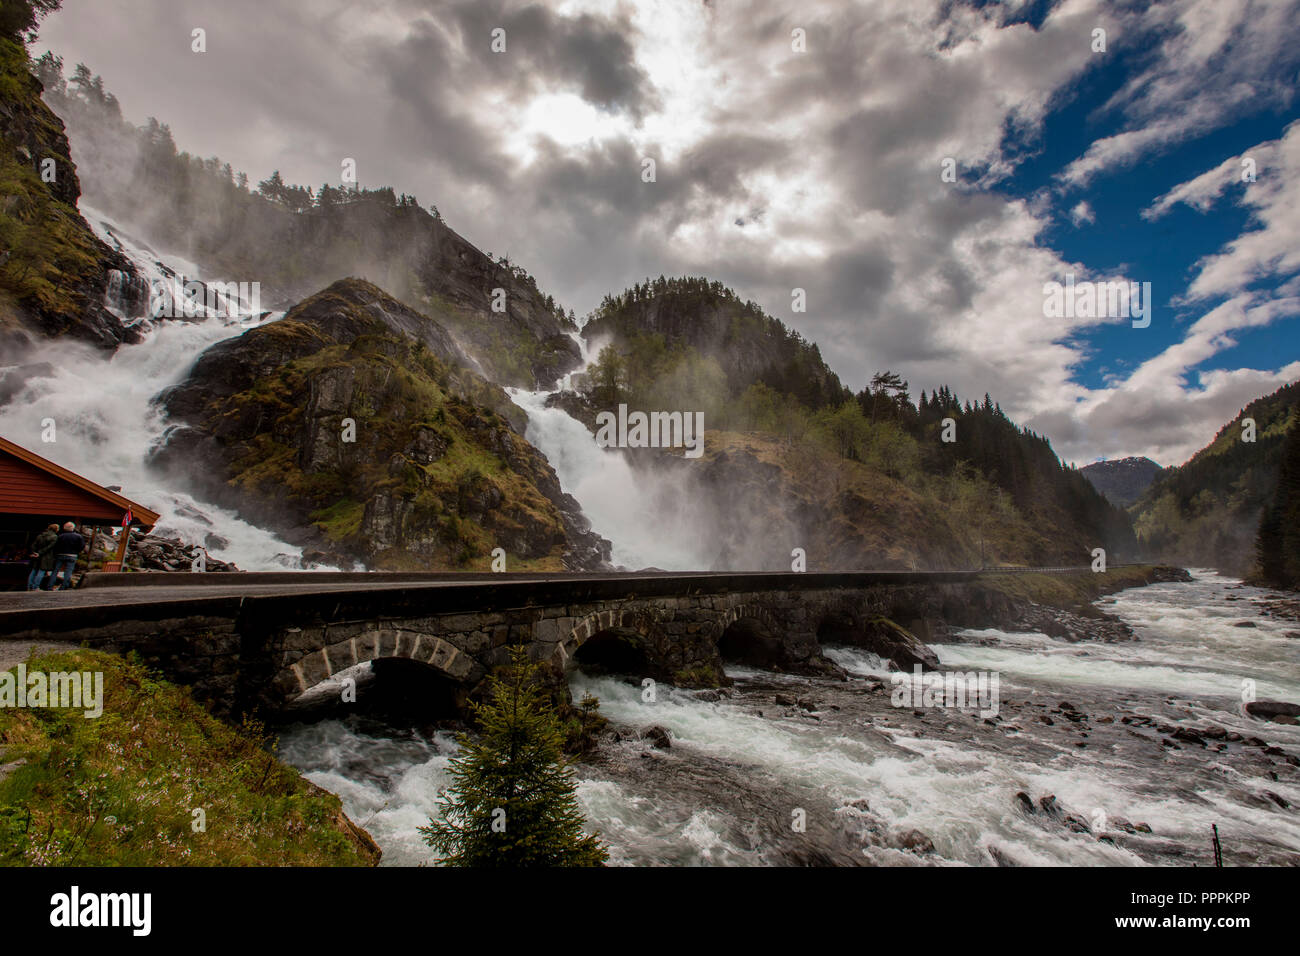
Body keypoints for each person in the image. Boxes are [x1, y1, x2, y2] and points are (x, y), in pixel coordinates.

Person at [51, 521, 84, 591]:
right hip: (72, 555)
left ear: (65, 528)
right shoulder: (78, 536)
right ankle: (64, 587)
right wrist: (77, 552)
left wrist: (56, 554)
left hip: (60, 555)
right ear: (73, 527)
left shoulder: (60, 536)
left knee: (55, 571)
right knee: (68, 572)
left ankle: (50, 586)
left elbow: (56, 546)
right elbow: (82, 546)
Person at [27, 523, 59, 590]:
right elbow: (49, 547)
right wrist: (39, 553)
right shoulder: (54, 537)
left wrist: (34, 552)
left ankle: (29, 586)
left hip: (37, 556)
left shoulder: (40, 535)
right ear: (56, 529)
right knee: (41, 571)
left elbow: (33, 545)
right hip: (46, 557)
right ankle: (35, 587)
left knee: (34, 570)